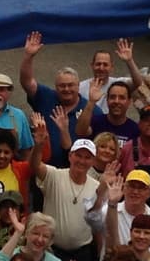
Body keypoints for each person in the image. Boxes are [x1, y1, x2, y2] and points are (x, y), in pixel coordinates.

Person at [30, 117, 100, 261]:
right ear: (70, 156)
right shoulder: (54, 175)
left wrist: (98, 258)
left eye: (87, 157)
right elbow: (35, 165)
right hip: (52, 250)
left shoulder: (97, 187)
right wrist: (39, 145)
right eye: (78, 155)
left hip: (82, 254)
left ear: (93, 161)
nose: (82, 161)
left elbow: (97, 226)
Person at [20, 31, 99, 167]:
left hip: (75, 172)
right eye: (62, 86)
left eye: (71, 85)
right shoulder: (46, 97)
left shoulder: (93, 110)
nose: (66, 89)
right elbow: (26, 82)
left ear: (79, 86)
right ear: (55, 87)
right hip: (43, 169)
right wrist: (28, 56)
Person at [77, 40, 144, 115]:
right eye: (98, 64)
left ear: (111, 67)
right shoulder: (80, 87)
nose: (101, 68)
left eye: (105, 65)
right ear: (92, 66)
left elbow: (138, 82)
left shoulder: (118, 84)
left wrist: (129, 61)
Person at [78, 78, 139, 146]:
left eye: (122, 98)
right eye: (112, 97)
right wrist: (91, 101)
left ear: (129, 102)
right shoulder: (96, 122)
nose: (116, 101)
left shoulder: (135, 130)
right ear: (107, 100)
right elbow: (81, 131)